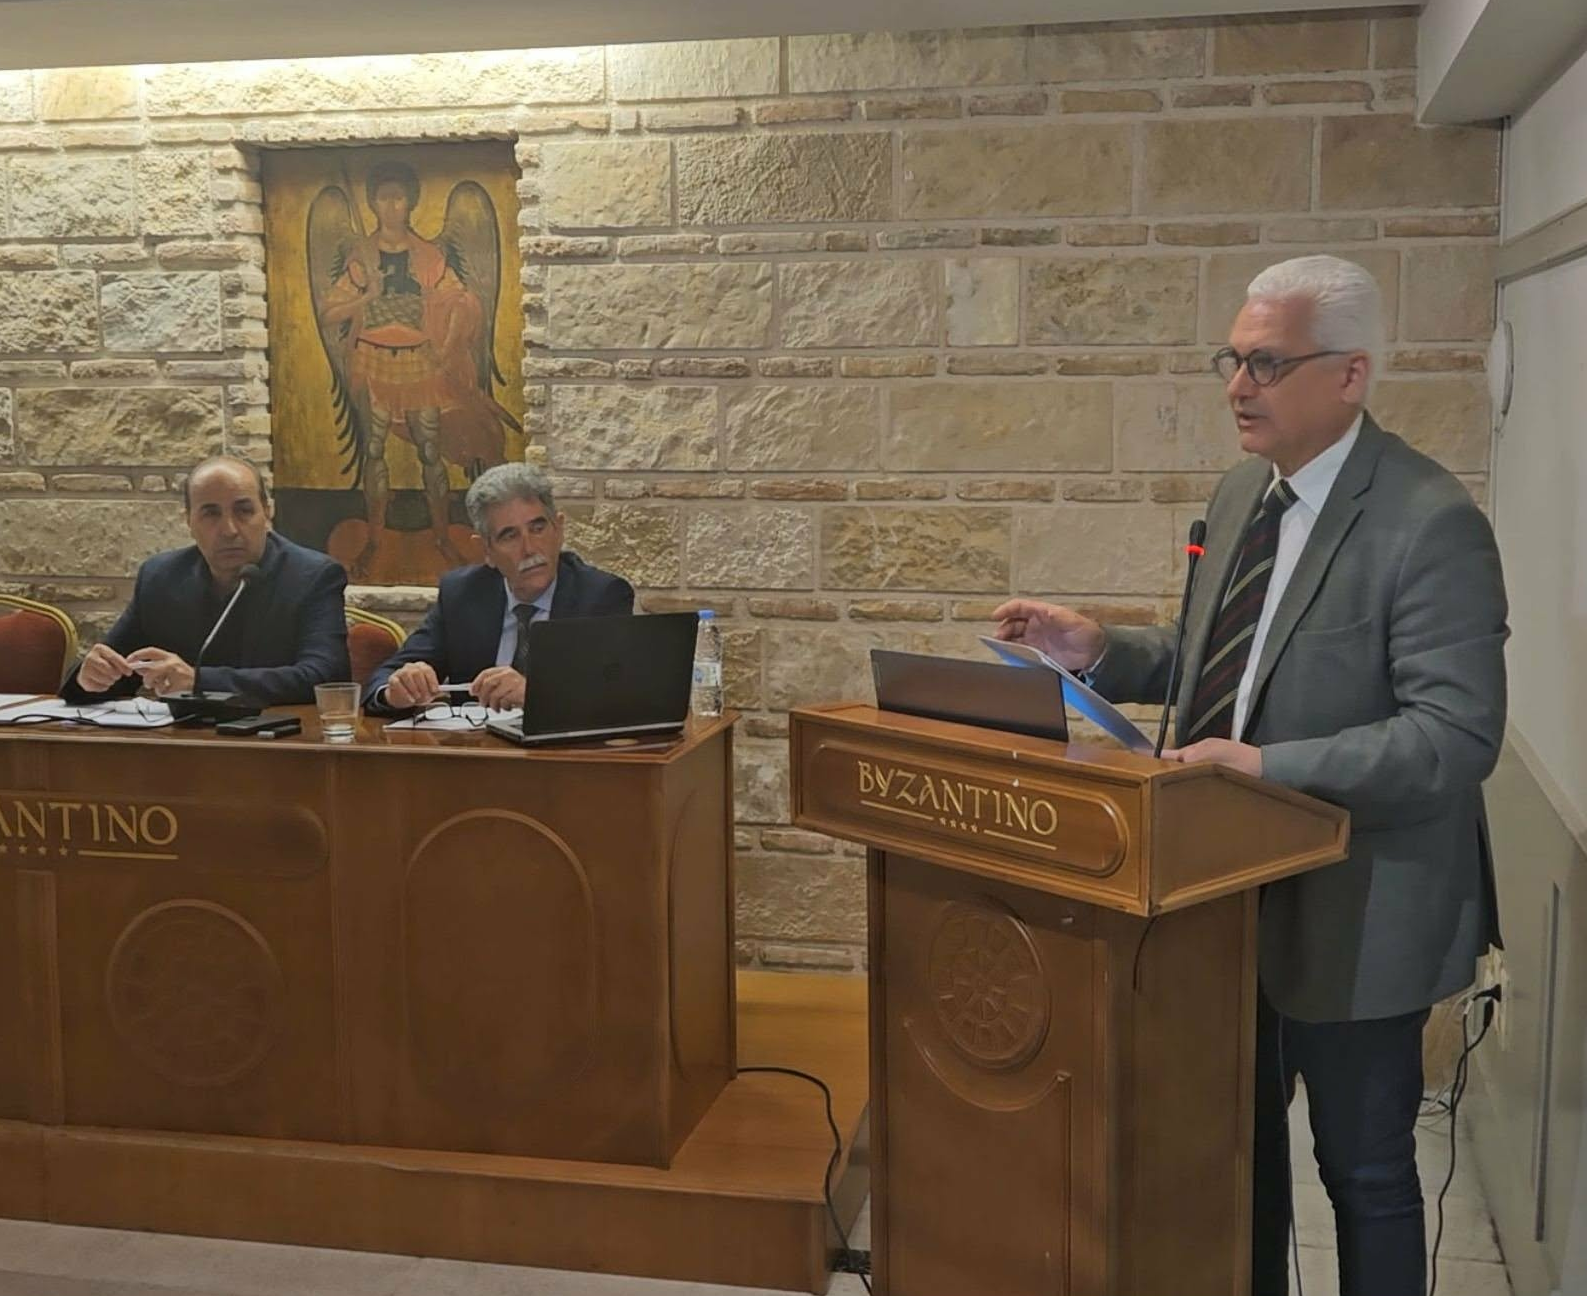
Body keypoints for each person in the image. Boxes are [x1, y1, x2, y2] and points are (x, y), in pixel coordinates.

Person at [992, 255, 1508, 1296]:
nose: (1237, 386)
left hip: (1361, 909)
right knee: (1238, 1156)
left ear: (1351, 375)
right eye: (1232, 359)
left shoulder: (1429, 521)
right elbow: (1220, 666)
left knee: (1363, 1172)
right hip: (1223, 895)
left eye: (1267, 364)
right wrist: (1099, 650)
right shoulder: (1242, 495)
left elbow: (1454, 737)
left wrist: (1264, 767)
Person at [62, 456, 350, 706]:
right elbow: (118, 671)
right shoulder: (161, 577)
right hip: (182, 743)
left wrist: (199, 681)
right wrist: (89, 678)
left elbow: (325, 678)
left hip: (278, 743)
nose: (229, 530)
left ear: (267, 512)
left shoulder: (313, 576)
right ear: (189, 521)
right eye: (211, 514)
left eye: (244, 510)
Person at [363, 462, 633, 714]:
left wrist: (535, 695)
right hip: (478, 746)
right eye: (509, 536)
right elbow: (382, 680)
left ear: (559, 530)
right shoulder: (462, 594)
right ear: (486, 551)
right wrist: (398, 690)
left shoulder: (600, 596)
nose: (529, 549)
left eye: (538, 528)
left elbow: (617, 699)